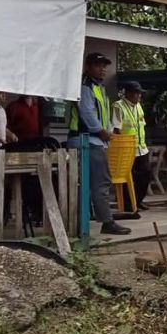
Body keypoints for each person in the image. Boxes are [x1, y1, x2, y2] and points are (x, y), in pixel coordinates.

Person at [68, 53, 130, 236]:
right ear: (88, 67)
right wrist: (101, 131)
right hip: (87, 139)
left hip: (93, 140)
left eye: (104, 66)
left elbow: (102, 114)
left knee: (85, 184)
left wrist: (108, 130)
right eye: (98, 65)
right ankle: (105, 221)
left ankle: (81, 223)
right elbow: (87, 113)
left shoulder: (98, 88)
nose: (102, 69)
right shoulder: (86, 87)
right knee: (100, 183)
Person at [112, 81, 151, 211]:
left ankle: (138, 200)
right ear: (127, 93)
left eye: (140, 93)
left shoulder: (138, 106)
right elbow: (116, 129)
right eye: (136, 93)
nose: (139, 96)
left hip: (141, 148)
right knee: (128, 178)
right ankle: (128, 205)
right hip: (126, 148)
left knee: (145, 175)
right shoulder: (118, 106)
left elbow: (141, 125)